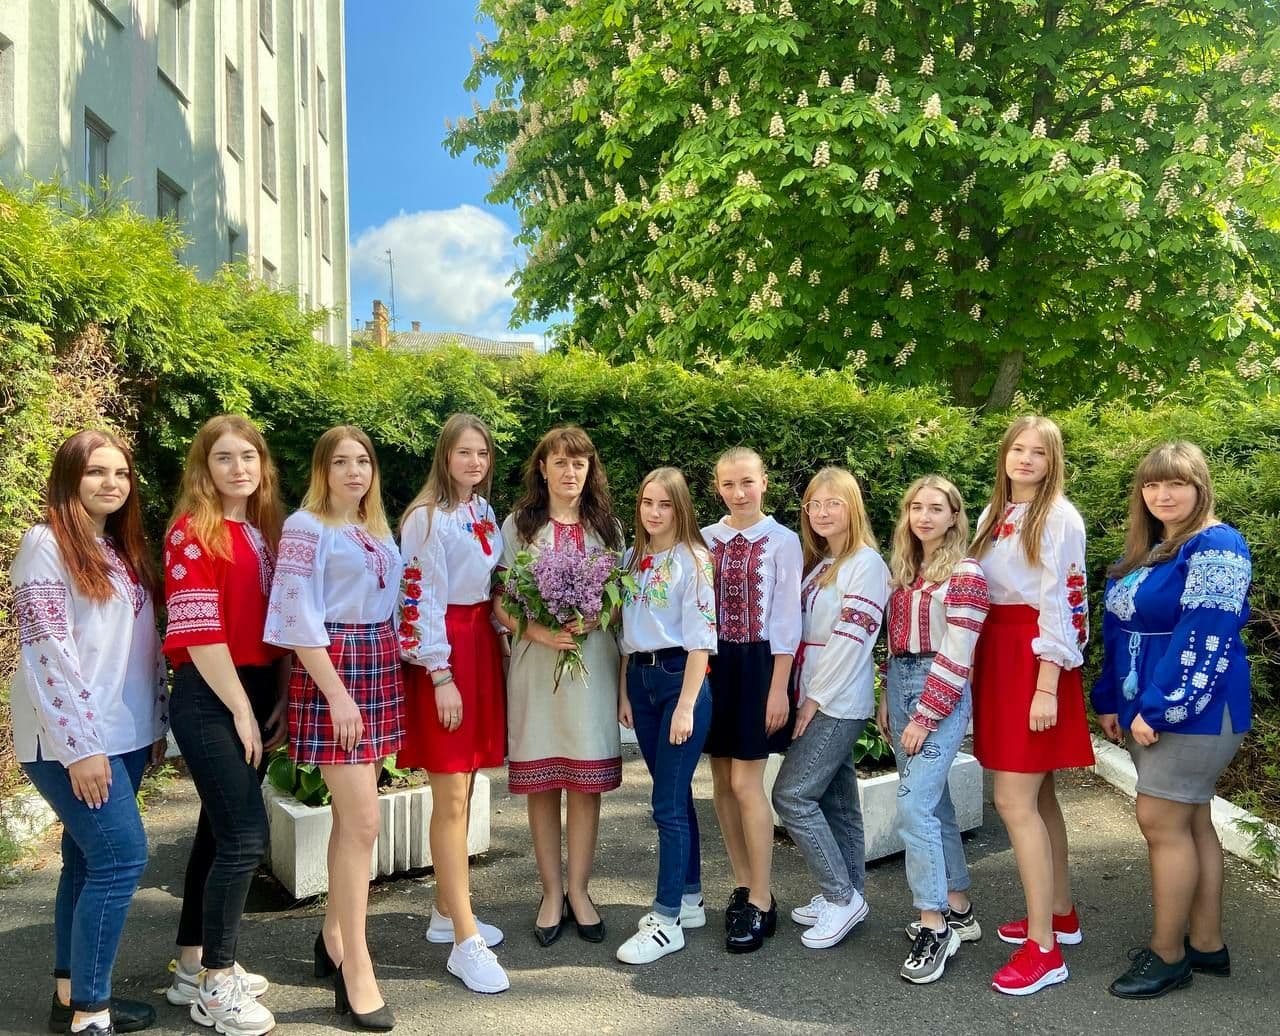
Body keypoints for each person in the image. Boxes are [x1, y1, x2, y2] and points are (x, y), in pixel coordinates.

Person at [10, 430, 167, 1036]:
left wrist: (155, 724)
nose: (112, 483)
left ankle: (69, 997)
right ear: (69, 478)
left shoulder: (121, 550)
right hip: (73, 742)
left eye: (121, 473)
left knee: (84, 861)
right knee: (122, 860)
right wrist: (80, 748)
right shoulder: (45, 544)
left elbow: (141, 649)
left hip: (124, 736)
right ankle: (91, 1014)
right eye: (97, 472)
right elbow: (47, 652)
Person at [1092, 442, 1251, 1000]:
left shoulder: (1217, 545)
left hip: (1195, 709)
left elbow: (1206, 636)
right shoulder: (1153, 549)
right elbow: (1118, 631)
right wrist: (1110, 699)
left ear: (1200, 487)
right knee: (1191, 820)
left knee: (1161, 823)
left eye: (1176, 483)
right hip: (1148, 705)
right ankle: (1206, 944)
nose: (1163, 494)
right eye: (1152, 484)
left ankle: (1168, 956)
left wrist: (1160, 707)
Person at [265, 426, 403, 1031]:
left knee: (353, 822)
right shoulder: (306, 526)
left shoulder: (373, 527)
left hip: (377, 662)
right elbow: (295, 614)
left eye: (363, 461)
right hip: (334, 669)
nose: (354, 471)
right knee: (365, 822)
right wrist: (338, 696)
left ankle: (332, 937)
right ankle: (357, 968)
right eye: (341, 462)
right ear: (322, 470)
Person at [161, 415, 287, 1036]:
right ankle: (217, 983)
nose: (239, 468)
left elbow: (278, 623)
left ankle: (192, 965)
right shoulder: (192, 532)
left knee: (216, 833)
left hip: (253, 692)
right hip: (211, 694)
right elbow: (199, 631)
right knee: (244, 837)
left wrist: (275, 699)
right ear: (203, 468)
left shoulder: (261, 532)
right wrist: (240, 708)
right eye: (224, 458)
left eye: (248, 457)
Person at [969, 415, 1095, 996]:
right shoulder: (994, 513)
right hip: (1000, 654)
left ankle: (1044, 949)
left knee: (1012, 800)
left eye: (1038, 452)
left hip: (1033, 661)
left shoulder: (1059, 518)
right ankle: (1059, 913)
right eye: (1018, 448)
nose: (1025, 459)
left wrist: (1046, 685)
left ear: (1053, 461)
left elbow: (1064, 606)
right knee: (1039, 797)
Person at [493, 426, 624, 946]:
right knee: (543, 782)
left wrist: (595, 618)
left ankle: (579, 891)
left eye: (580, 463)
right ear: (542, 468)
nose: (571, 472)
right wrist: (539, 631)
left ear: (590, 471)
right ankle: (550, 892)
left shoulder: (608, 528)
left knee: (585, 784)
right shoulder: (518, 525)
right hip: (536, 663)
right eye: (561, 463)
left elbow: (620, 598)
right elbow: (500, 599)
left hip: (592, 665)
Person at [398, 414, 509, 994]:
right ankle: (465, 941)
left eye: (482, 453)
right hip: (445, 653)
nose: (474, 462)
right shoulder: (425, 517)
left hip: (480, 645)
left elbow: (491, 587)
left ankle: (447, 912)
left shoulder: (482, 510)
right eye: (464, 452)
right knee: (449, 796)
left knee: (465, 787)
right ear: (445, 456)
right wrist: (440, 674)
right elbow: (417, 600)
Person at [771, 467, 889, 951]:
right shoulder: (823, 563)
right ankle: (848, 892)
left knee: (792, 796)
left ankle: (841, 896)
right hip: (813, 689)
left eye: (832, 503)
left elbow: (850, 640)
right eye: (814, 504)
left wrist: (812, 701)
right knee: (839, 803)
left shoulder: (866, 564)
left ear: (852, 507)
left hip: (837, 698)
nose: (821, 512)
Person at [878, 476, 989, 984]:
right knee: (935, 803)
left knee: (913, 804)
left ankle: (934, 924)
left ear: (954, 516)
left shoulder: (965, 573)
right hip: (902, 681)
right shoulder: (905, 571)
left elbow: (959, 651)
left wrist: (926, 715)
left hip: (940, 688)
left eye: (936, 508)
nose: (924, 517)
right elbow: (895, 642)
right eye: (916, 507)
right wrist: (887, 695)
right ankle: (959, 907)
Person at [616, 468, 718, 964]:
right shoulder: (631, 558)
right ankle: (690, 897)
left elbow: (702, 640)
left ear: (681, 508)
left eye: (665, 504)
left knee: (666, 806)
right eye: (647, 502)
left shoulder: (694, 560)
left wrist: (685, 706)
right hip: (641, 679)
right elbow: (625, 632)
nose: (654, 513)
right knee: (674, 797)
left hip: (680, 679)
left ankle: (666, 919)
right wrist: (624, 692)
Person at [701, 447, 801, 953]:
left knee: (745, 783)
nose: (738, 493)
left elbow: (786, 616)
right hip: (711, 664)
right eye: (728, 484)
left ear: (764, 482)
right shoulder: (704, 539)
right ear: (717, 487)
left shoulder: (783, 541)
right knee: (720, 782)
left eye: (747, 482)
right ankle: (743, 884)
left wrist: (779, 685)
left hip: (759, 666)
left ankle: (762, 897)